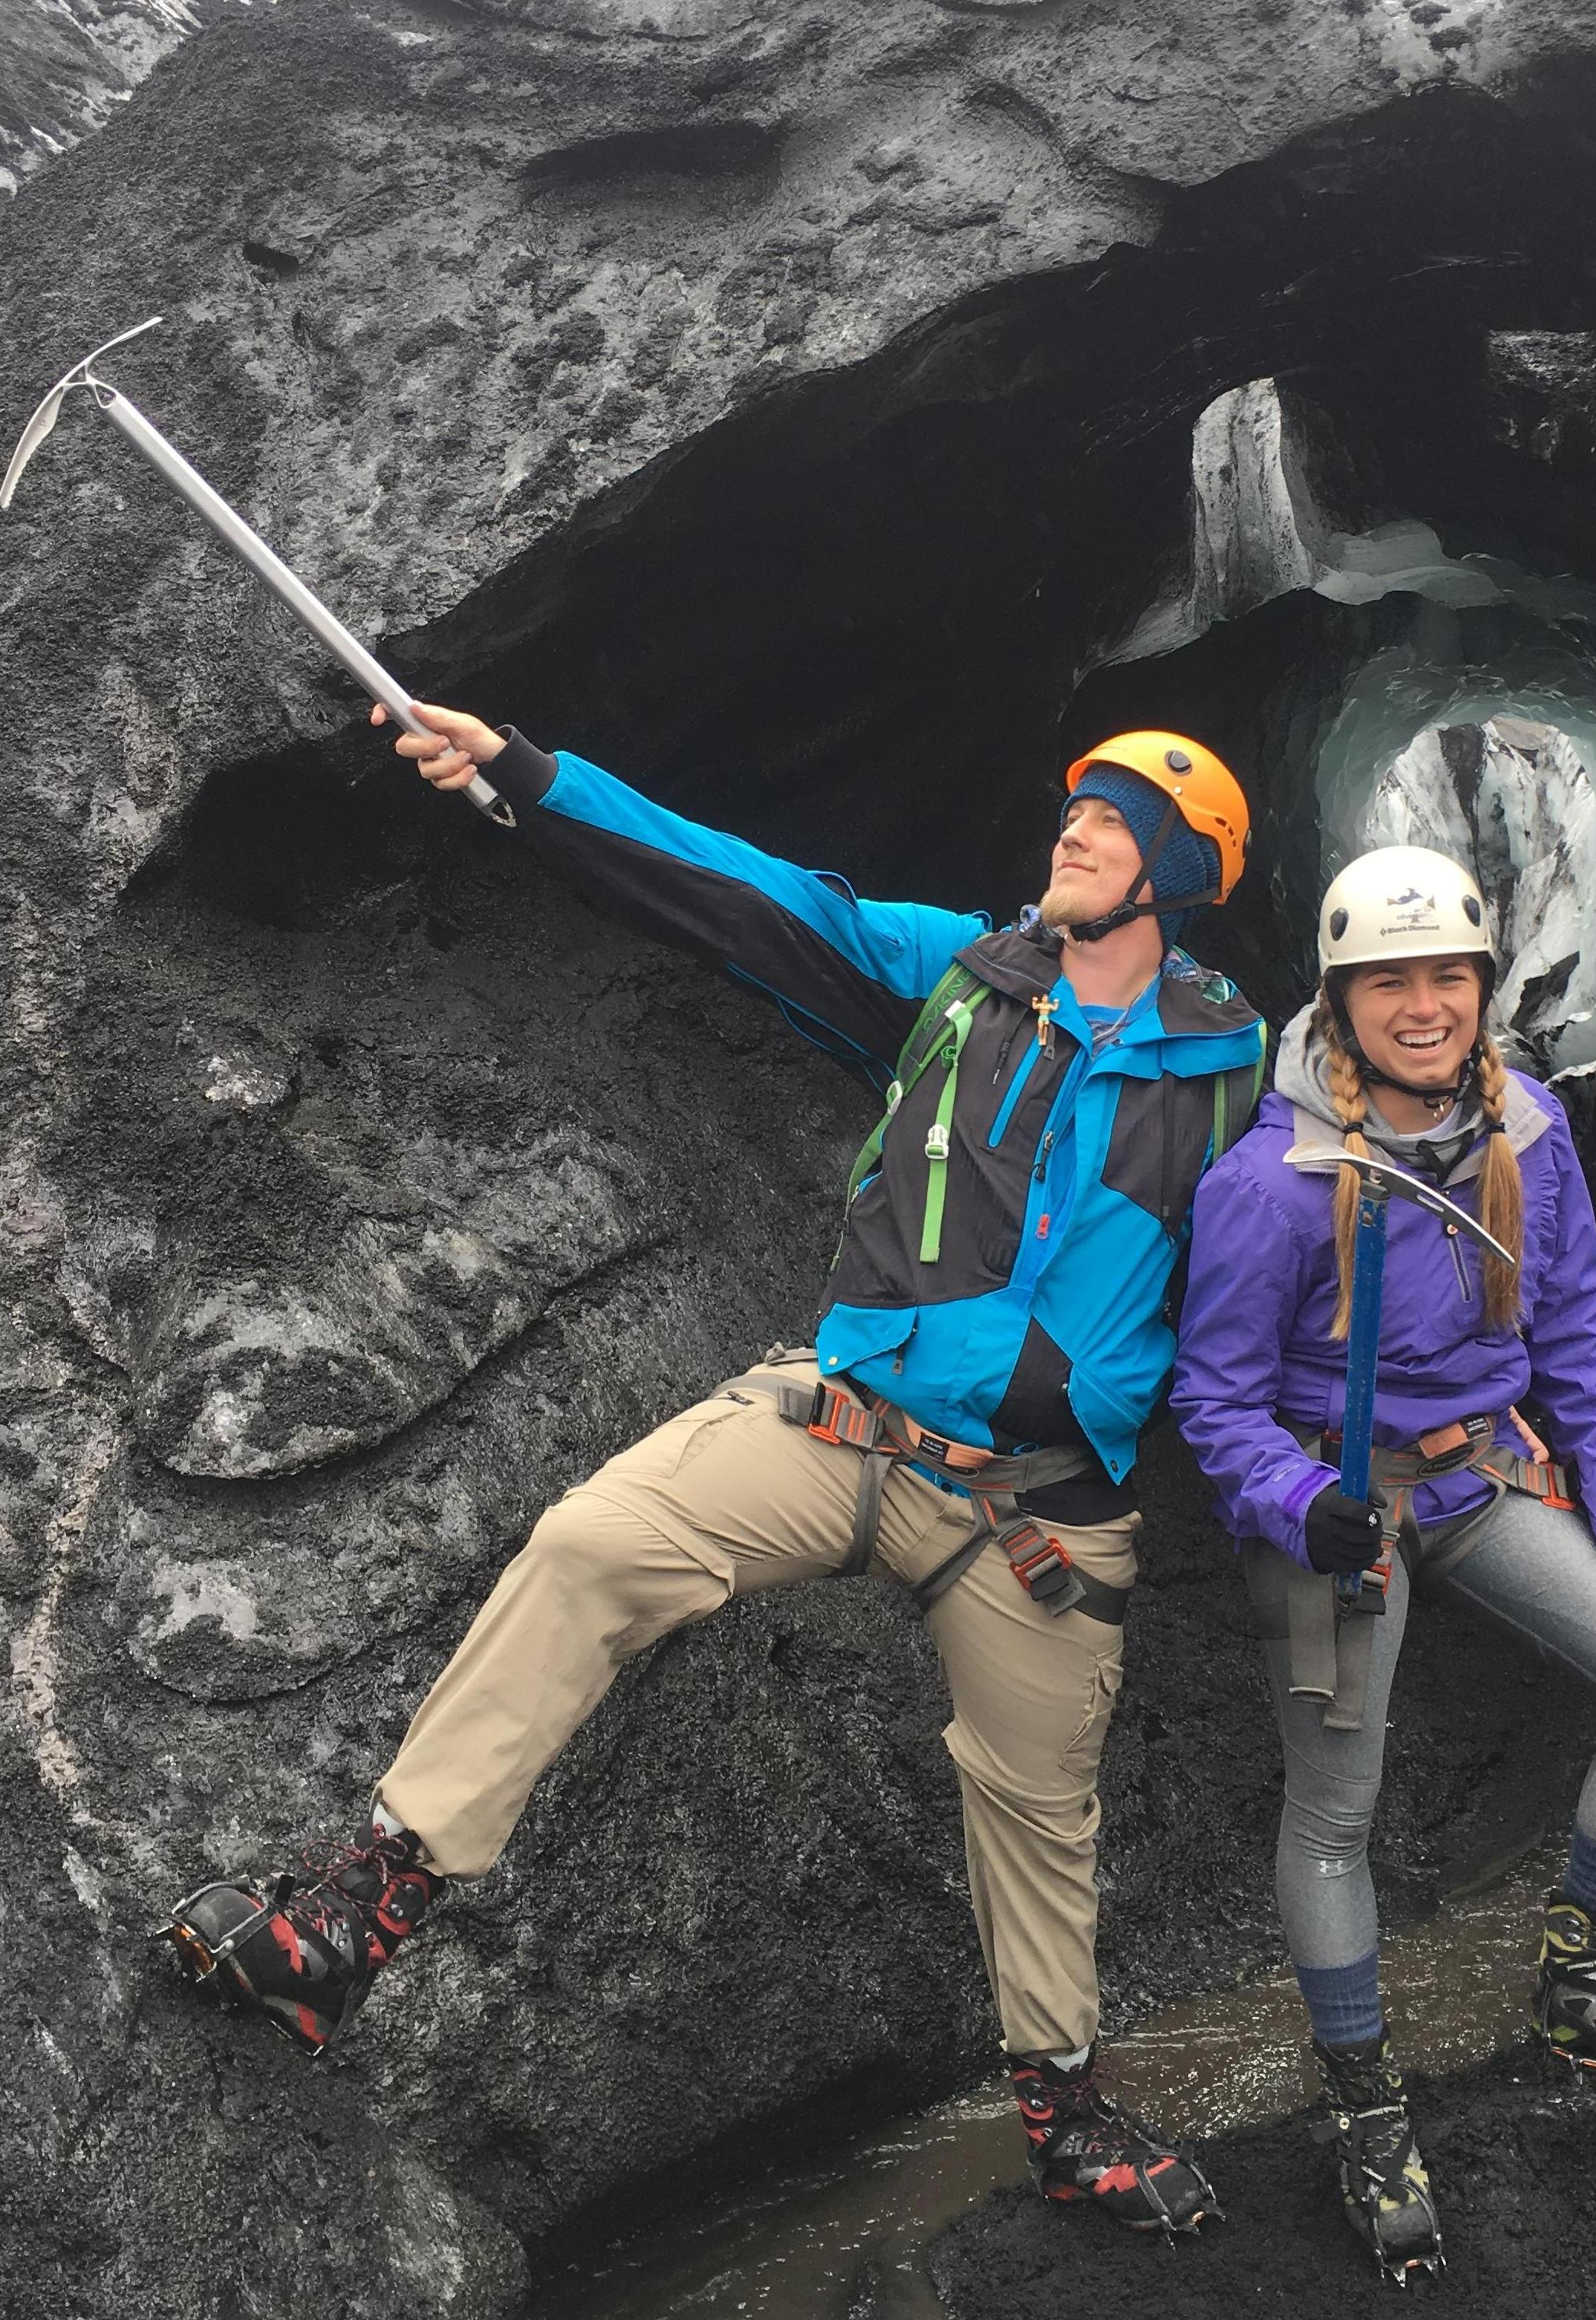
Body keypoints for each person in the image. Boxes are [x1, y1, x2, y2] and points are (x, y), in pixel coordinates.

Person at [156, 701, 1267, 2236]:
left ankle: (1062, 2111)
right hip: (842, 1422)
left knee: (1036, 1809)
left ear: (1176, 876)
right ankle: (355, 1915)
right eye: (1077, 811)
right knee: (589, 1546)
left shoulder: (1231, 1078)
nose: (1073, 832)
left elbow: (1325, 1242)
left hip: (1034, 1508)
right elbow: (737, 888)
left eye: (1116, 823)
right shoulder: (956, 976)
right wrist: (523, 779)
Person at [1170, 842, 1596, 2282]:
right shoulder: (1274, 1182)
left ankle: (1579, 1966)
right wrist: (1301, 1504)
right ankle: (1365, 2103)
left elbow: (1581, 1328)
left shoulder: (1529, 1131)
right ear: (1341, 999)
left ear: (1485, 987)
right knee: (1337, 1809)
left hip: (1479, 1477)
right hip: (1338, 1501)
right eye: (1390, 983)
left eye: (1448, 977)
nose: (1423, 1006)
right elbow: (1216, 1399)